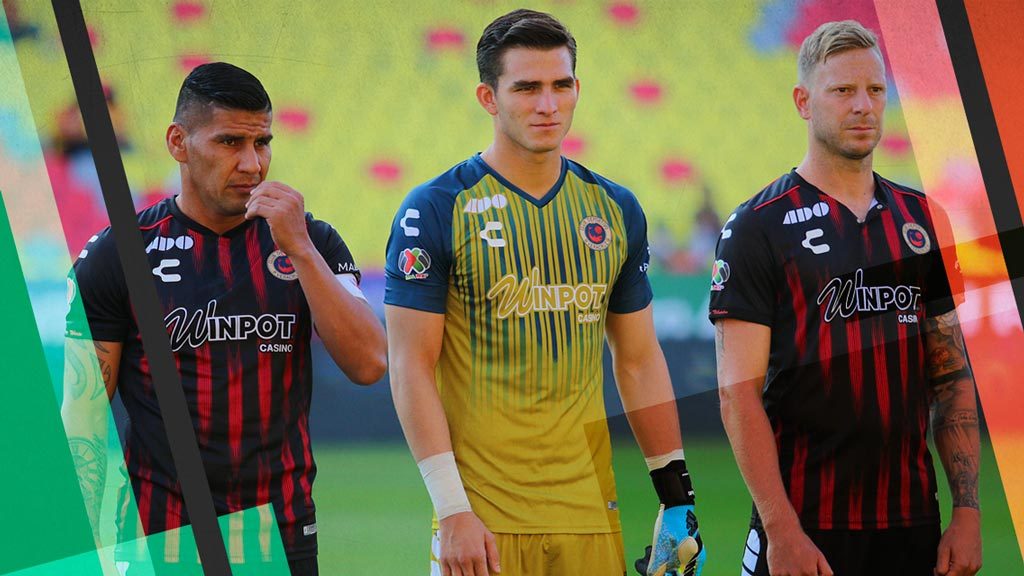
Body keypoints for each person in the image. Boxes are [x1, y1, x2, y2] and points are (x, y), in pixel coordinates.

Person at [384, 9, 706, 576]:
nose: (548, 104)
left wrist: (677, 497)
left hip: (590, 514)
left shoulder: (615, 209)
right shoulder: (435, 208)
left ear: (577, 88)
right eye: (527, 88)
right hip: (481, 523)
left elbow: (637, 360)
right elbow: (410, 363)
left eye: (561, 85)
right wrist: (451, 509)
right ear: (489, 97)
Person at [62, 62, 387, 576]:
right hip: (159, 533)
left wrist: (299, 248)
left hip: (279, 530)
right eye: (230, 142)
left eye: (262, 143)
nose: (253, 164)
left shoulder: (313, 242)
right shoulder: (117, 253)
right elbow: (82, 412)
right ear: (178, 143)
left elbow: (370, 362)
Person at [711, 20, 981, 576]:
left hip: (914, 529)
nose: (863, 106)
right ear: (803, 102)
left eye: (875, 90)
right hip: (804, 527)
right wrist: (782, 530)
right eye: (842, 91)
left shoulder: (926, 221)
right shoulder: (757, 227)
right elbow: (738, 396)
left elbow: (951, 377)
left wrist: (969, 513)